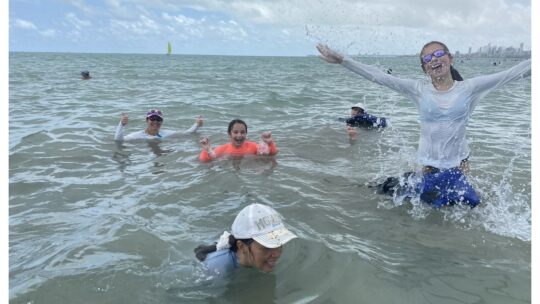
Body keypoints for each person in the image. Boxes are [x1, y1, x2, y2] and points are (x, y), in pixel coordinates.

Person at [316, 41, 530, 208]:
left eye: (439, 54)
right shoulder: (418, 89)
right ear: (424, 66)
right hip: (426, 165)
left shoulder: (469, 88)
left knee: (468, 207)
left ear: (450, 58)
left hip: (458, 165)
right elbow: (379, 77)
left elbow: (510, 74)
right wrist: (343, 60)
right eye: (427, 58)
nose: (434, 59)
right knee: (410, 202)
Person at [194, 203, 297, 275]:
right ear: (241, 246)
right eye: (267, 246)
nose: (276, 254)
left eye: (278, 244)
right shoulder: (217, 269)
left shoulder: (250, 258)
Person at [199, 119, 278, 162]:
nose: (239, 135)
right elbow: (204, 161)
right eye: (235, 132)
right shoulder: (222, 149)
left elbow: (271, 155)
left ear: (246, 134)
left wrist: (269, 143)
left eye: (242, 132)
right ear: (229, 134)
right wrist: (206, 150)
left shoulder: (253, 146)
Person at [114, 109, 203, 141]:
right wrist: (121, 125)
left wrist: (197, 125)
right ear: (147, 120)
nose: (155, 122)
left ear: (161, 122)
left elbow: (187, 133)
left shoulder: (166, 133)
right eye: (152, 119)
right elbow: (119, 140)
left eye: (158, 119)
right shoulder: (137, 135)